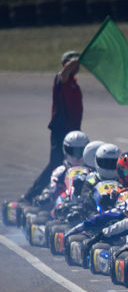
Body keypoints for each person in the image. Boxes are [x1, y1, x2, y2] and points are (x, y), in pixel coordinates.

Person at [24, 51, 84, 202]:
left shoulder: (73, 82)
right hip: (61, 128)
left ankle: (66, 196)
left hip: (73, 130)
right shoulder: (61, 79)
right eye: (73, 63)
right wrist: (73, 62)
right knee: (56, 163)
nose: (77, 66)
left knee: (75, 164)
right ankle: (32, 195)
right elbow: (63, 74)